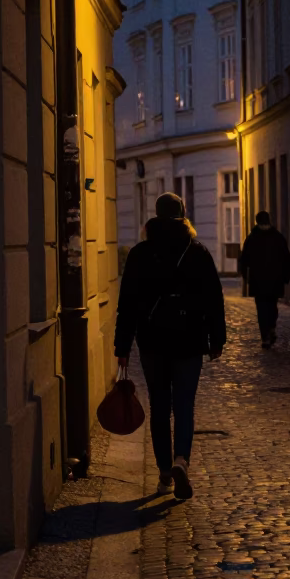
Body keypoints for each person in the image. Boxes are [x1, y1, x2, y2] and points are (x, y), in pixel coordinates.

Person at [114, 191, 226, 500]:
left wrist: (122, 346)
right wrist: (217, 338)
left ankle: (164, 473)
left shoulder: (140, 254)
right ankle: (181, 461)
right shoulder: (197, 252)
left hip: (152, 342)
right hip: (189, 341)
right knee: (185, 406)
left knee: (160, 408)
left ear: (155, 216)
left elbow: (128, 305)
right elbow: (213, 299)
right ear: (183, 216)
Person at [238, 210, 290, 348]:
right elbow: (287, 259)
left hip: (258, 280)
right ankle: (271, 329)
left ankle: (266, 336)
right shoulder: (277, 237)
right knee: (272, 306)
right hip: (275, 280)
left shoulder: (252, 238)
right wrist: (286, 277)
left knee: (262, 309)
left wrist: (245, 277)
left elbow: (244, 260)